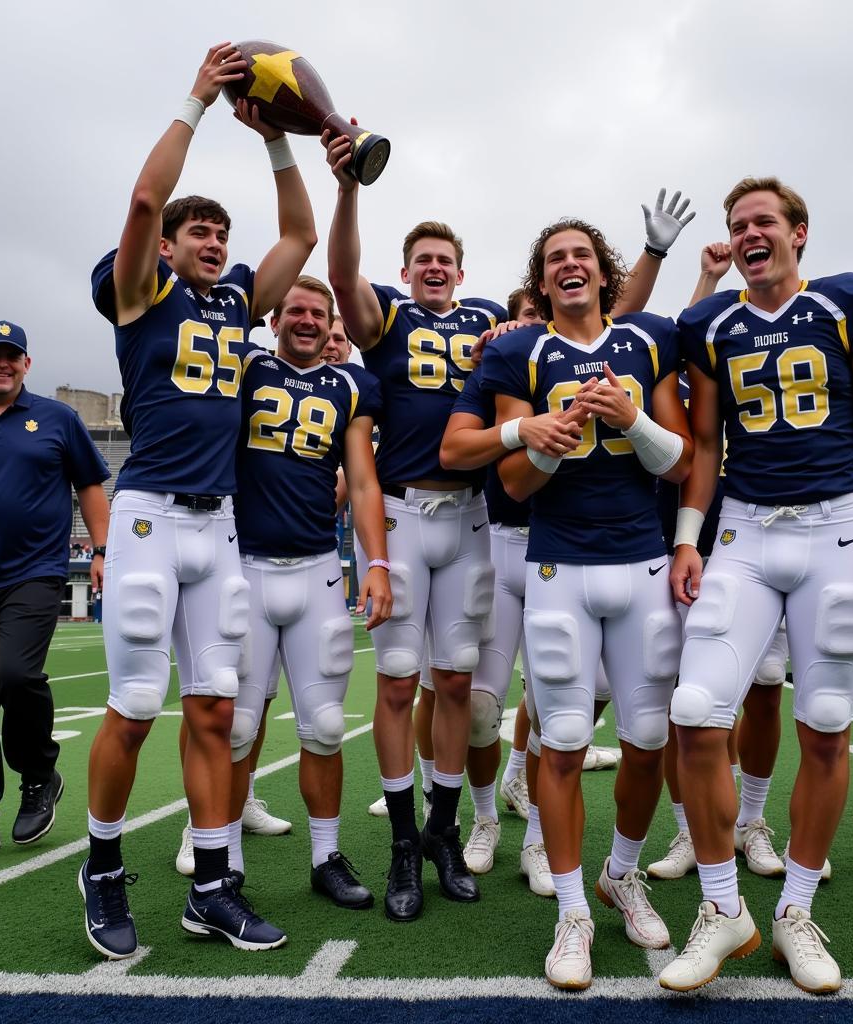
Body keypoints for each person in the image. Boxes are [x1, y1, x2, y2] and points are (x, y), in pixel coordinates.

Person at [659, 176, 853, 995]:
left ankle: (796, 912)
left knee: (827, 722)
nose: (748, 234)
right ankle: (721, 907)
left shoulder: (847, 304)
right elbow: (705, 444)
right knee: (696, 714)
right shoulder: (713, 324)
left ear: (799, 232)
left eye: (763, 221)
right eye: (737, 225)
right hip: (741, 525)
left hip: (836, 525)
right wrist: (687, 539)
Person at [80, 43, 316, 960]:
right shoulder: (141, 295)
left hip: (216, 525)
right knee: (137, 706)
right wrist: (199, 99)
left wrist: (278, 142)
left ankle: (212, 885)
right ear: (168, 250)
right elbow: (144, 202)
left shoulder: (231, 307)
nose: (214, 245)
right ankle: (100, 868)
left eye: (221, 234)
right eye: (199, 234)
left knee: (217, 709)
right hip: (145, 516)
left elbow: (295, 237)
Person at [483, 218, 692, 989]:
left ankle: (623, 872)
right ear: (542, 282)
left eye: (581, 255)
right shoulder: (520, 350)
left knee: (646, 738)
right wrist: (549, 439)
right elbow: (512, 487)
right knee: (563, 740)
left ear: (605, 273)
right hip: (557, 568)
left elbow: (681, 462)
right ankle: (572, 910)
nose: (570, 266)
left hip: (640, 563)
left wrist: (630, 419)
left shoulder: (649, 341)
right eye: (554, 259)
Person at [323, 131, 504, 921]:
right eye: (422, 259)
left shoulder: (493, 319)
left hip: (470, 518)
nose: (434, 268)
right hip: (399, 514)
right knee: (398, 684)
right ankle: (402, 840)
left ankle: (440, 826)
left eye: (445, 260)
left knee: (456, 681)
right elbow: (338, 277)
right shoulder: (386, 316)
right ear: (406, 271)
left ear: (462, 272)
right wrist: (349, 188)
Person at [228, 275, 390, 911]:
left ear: (330, 327)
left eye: (317, 314)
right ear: (273, 320)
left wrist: (376, 561)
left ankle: (326, 855)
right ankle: (225, 861)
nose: (306, 320)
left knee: (324, 724)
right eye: (294, 310)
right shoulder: (246, 369)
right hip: (243, 564)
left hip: (319, 565)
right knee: (238, 726)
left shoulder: (350, 384)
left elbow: (364, 479)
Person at [0, 321, 110, 853]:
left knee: (15, 673)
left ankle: (38, 777)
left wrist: (101, 551)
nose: (3, 363)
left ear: (27, 364)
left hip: (33, 571)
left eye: (13, 356)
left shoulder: (57, 418)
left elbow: (90, 487)